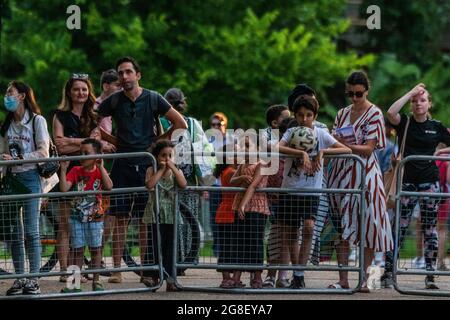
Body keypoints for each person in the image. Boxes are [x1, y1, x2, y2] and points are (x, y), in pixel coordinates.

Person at [97, 57, 187, 284]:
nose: (124, 76)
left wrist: (157, 143)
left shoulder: (154, 98)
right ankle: (116, 269)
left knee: (146, 220)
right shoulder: (114, 100)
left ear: (138, 75)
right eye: (121, 73)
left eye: (128, 72)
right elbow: (93, 120)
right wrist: (111, 139)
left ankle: (148, 269)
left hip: (148, 164)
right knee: (120, 217)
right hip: (122, 163)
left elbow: (180, 123)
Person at [328, 71, 393, 292]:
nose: (354, 98)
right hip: (341, 171)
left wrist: (344, 145)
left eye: (358, 94)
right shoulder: (341, 113)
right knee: (341, 227)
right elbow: (334, 142)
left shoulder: (374, 113)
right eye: (350, 94)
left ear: (366, 90)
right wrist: (334, 141)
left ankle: (365, 279)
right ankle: (344, 279)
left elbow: (369, 148)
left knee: (369, 225)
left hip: (365, 172)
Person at [277, 96, 351, 288]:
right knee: (291, 232)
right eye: (300, 115)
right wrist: (300, 153)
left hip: (312, 190)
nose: (304, 119)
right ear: (295, 115)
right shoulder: (291, 132)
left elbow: (346, 149)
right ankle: (297, 274)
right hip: (290, 189)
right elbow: (277, 147)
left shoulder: (321, 133)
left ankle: (300, 272)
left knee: (309, 227)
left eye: (309, 115)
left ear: (315, 116)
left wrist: (322, 152)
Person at [383, 83, 450, 289]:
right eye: (415, 101)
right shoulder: (404, 122)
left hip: (430, 182)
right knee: (399, 227)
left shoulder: (437, 126)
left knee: (429, 228)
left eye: (422, 100)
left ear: (429, 104)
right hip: (408, 182)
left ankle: (430, 275)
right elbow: (391, 112)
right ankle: (388, 272)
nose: (418, 103)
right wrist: (411, 92)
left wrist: (440, 152)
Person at [1, 81, 49, 295]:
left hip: (31, 178)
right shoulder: (7, 125)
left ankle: (33, 279)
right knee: (14, 232)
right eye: (6, 93)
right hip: (12, 180)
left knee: (31, 230)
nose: (6, 96)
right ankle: (18, 278)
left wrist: (18, 158)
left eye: (10, 93)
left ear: (22, 96)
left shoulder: (37, 121)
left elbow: (43, 152)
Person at [53, 73, 99, 282]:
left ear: (88, 92)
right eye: (76, 89)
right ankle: (65, 270)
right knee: (65, 224)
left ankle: (80, 270)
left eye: (84, 89)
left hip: (89, 174)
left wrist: (73, 142)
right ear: (69, 93)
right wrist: (85, 143)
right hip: (67, 172)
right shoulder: (59, 116)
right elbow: (59, 144)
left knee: (86, 222)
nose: (80, 93)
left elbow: (96, 145)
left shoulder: (94, 116)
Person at [59, 138, 113, 292]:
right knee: (77, 250)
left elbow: (109, 186)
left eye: (86, 153)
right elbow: (64, 188)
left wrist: (101, 166)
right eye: (80, 152)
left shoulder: (99, 171)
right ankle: (74, 284)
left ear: (97, 155)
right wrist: (63, 169)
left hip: (95, 218)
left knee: (96, 249)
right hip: (77, 218)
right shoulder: (75, 171)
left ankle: (96, 281)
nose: (82, 156)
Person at [143, 140, 187, 291]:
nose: (167, 159)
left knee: (170, 246)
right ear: (156, 157)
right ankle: (152, 276)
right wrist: (161, 170)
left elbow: (183, 184)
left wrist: (173, 169)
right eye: (163, 155)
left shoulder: (176, 170)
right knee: (155, 244)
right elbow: (149, 185)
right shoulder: (152, 169)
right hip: (156, 213)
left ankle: (170, 279)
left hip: (171, 214)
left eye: (170, 156)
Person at [229, 137, 270, 289]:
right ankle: (237, 276)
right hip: (240, 206)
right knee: (239, 241)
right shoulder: (242, 165)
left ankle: (257, 276)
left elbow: (253, 186)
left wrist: (243, 205)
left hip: (255, 207)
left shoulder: (262, 164)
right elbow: (232, 181)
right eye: (241, 146)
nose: (243, 149)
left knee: (255, 242)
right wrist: (241, 177)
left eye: (247, 145)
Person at [260, 105, 290, 288]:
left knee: (286, 233)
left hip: (287, 191)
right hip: (270, 192)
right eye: (285, 118)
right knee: (274, 234)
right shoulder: (266, 137)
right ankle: (270, 274)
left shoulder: (293, 137)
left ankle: (283, 276)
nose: (289, 120)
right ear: (274, 122)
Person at [213, 144, 238, 288]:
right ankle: (227, 277)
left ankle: (229, 277)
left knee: (228, 246)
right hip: (228, 213)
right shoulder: (230, 172)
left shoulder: (227, 171)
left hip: (226, 212)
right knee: (229, 247)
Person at [435, 143, 450, 271]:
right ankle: (440, 262)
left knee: (429, 228)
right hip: (443, 196)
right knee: (442, 230)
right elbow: (449, 180)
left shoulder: (432, 156)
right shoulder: (447, 160)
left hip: (429, 194)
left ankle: (427, 260)